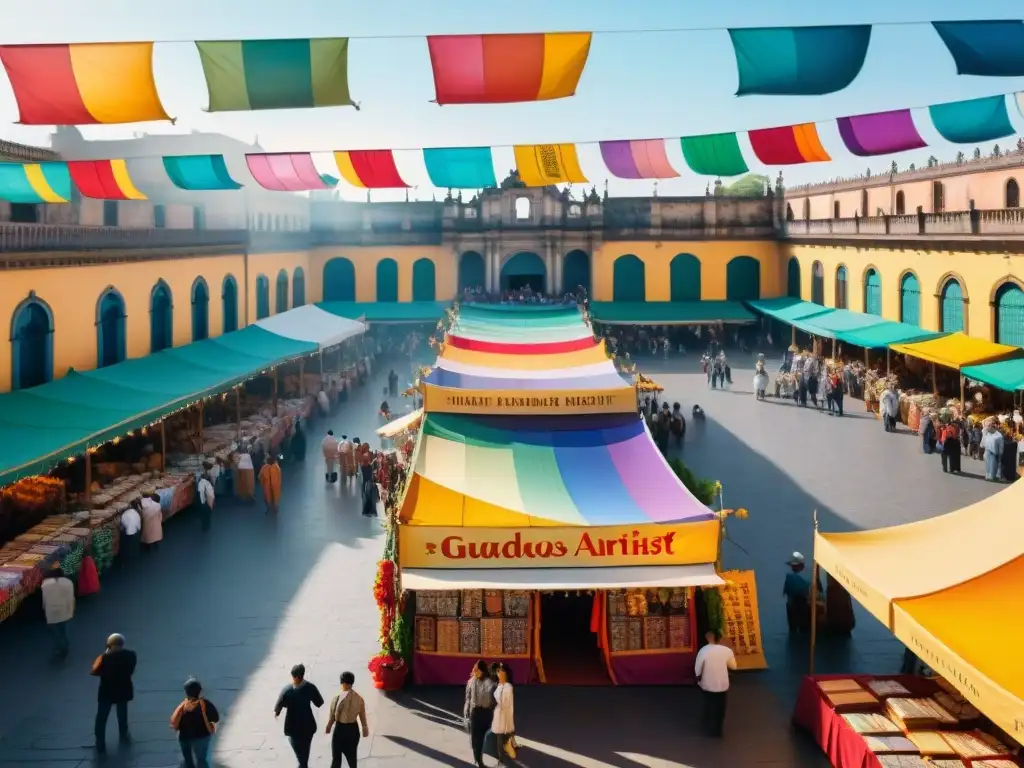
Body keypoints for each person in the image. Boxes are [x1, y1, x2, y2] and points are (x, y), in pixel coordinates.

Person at [92, 633, 137, 753]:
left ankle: (100, 741)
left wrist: (105, 654)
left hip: (107, 690)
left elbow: (94, 671)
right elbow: (131, 669)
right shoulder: (131, 655)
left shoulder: (104, 658)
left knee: (102, 716)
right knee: (122, 713)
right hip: (123, 688)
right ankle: (124, 733)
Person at [275, 664, 324, 768]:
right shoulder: (310, 687)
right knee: (304, 757)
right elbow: (319, 703)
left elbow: (278, 706)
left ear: (297, 677)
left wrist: (277, 713)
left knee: (301, 759)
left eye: (293, 677)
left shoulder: (287, 690)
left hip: (293, 729)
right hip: (308, 727)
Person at [694, 629, 736, 737]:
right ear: (720, 638)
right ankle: (718, 729)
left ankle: (708, 722)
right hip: (722, 684)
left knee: (710, 703)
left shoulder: (703, 651)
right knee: (721, 706)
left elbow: (697, 669)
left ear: (708, 638)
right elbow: (733, 666)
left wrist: (698, 678)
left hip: (707, 684)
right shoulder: (726, 651)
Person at [171, 677, 219, 768]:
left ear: (186, 692)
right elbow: (216, 718)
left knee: (187, 760)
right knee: (201, 760)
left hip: (184, 737)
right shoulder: (206, 704)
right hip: (202, 737)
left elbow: (174, 721)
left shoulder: (183, 706)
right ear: (200, 691)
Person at [326, 670, 368, 768]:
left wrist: (328, 726)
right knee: (352, 758)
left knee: (336, 758)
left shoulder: (337, 698)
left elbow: (333, 715)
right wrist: (364, 727)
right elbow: (362, 715)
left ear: (343, 683)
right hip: (353, 729)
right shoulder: (359, 699)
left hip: (340, 729)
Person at [463, 660, 495, 768]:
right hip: (475, 712)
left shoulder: (490, 683)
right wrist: (466, 711)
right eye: (475, 669)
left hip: (486, 713)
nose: (475, 671)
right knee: (475, 738)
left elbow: (494, 699)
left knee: (481, 737)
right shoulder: (471, 682)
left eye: (478, 670)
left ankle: (478, 758)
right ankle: (478, 760)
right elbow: (467, 698)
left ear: (483, 671)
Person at [41, 566, 74, 658]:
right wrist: (71, 611)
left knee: (55, 631)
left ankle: (61, 647)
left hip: (51, 611)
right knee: (64, 629)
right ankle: (65, 645)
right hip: (65, 610)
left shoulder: (45, 584)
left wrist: (44, 609)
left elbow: (45, 599)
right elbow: (70, 598)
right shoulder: (68, 583)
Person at [491, 663, 516, 764]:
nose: (499, 672)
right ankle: (501, 759)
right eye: (498, 670)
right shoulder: (498, 685)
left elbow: (505, 703)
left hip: (504, 714)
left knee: (503, 737)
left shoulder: (508, 687)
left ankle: (504, 757)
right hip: (498, 714)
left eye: (501, 670)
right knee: (499, 738)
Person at [783, 552, 811, 634]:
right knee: (800, 629)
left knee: (798, 629)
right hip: (798, 605)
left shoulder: (790, 577)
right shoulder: (807, 577)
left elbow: (786, 591)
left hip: (796, 605)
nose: (793, 567)